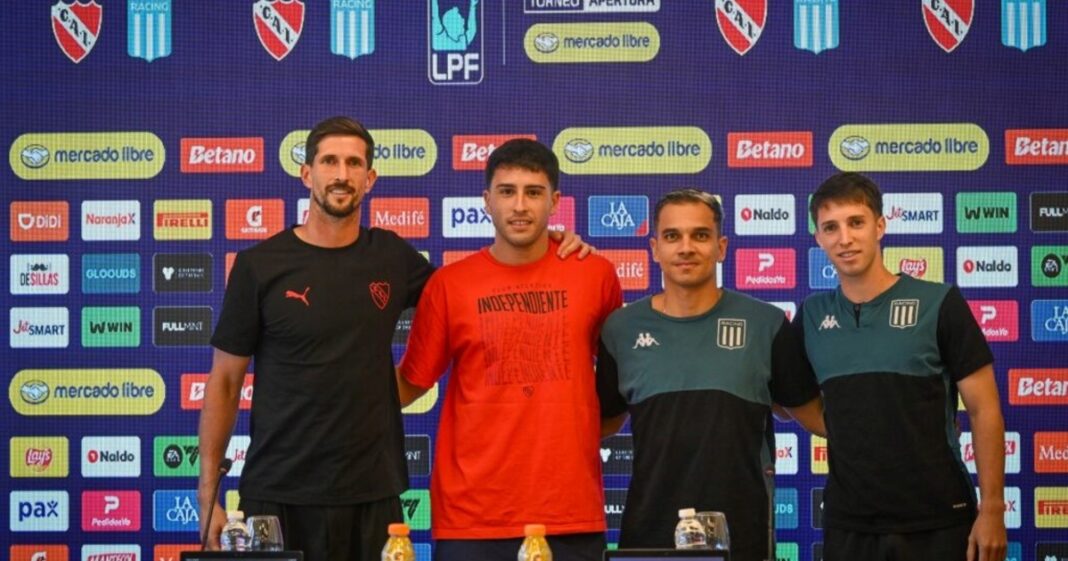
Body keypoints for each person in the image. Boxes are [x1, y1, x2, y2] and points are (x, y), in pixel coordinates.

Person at [197, 118, 586, 561]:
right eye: (329, 161)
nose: (341, 174)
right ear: (307, 174)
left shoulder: (392, 256)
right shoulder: (259, 266)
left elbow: (475, 290)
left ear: (370, 178)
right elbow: (225, 382)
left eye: (353, 163)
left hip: (374, 491)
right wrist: (208, 497)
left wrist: (549, 245)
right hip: (278, 492)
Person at [396, 138, 622, 561]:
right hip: (472, 516)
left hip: (569, 512)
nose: (520, 206)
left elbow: (621, 384)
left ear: (555, 201)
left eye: (533, 192)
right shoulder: (449, 284)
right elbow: (408, 386)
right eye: (507, 192)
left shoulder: (595, 274)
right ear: (486, 200)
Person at [596, 189, 825, 561]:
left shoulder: (765, 324)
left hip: (743, 537)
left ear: (721, 247)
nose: (686, 247)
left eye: (700, 235)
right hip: (649, 536)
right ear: (654, 248)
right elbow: (596, 424)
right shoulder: (620, 330)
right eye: (673, 236)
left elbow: (818, 417)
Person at [795, 172, 1007, 561]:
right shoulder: (811, 315)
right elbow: (788, 393)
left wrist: (992, 508)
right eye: (831, 227)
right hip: (849, 523)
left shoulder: (939, 302)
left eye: (856, 222)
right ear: (819, 238)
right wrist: (842, 425)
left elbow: (984, 409)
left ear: (880, 226)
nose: (845, 238)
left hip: (940, 518)